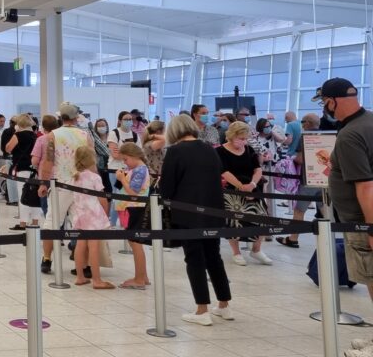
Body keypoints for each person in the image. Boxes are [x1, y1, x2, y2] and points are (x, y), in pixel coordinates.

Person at [159, 114, 232, 326]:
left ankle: (202, 310)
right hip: (214, 211)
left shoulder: (174, 152)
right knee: (213, 257)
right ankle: (224, 304)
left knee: (194, 258)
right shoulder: (209, 149)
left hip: (188, 213)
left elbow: (167, 187)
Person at [314, 79, 373, 306]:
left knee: (371, 278)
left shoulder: (350, 135)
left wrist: (370, 228)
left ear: (331, 102)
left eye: (324, 103)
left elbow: (366, 185)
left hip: (360, 219)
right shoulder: (368, 121)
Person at [37, 102, 91, 273]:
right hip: (82, 185)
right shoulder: (85, 135)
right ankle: (84, 265)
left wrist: (44, 183)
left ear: (61, 117)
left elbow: (48, 161)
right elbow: (91, 162)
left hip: (60, 184)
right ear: (76, 117)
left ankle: (47, 259)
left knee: (52, 222)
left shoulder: (53, 135)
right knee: (82, 224)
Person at [216, 121, 272, 266]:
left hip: (252, 188)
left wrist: (252, 184)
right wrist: (241, 186)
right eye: (241, 138)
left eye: (245, 138)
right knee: (233, 220)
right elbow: (224, 171)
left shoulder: (249, 150)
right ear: (232, 136)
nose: (243, 141)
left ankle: (256, 249)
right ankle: (236, 251)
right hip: (232, 189)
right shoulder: (220, 151)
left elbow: (257, 169)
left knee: (263, 217)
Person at [70, 145, 114, 289]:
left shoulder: (75, 176)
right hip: (94, 216)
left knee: (80, 245)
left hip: (80, 215)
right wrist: (106, 213)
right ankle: (97, 280)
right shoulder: (95, 177)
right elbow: (102, 199)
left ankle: (80, 276)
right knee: (94, 247)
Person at [277, 113, 322, 248]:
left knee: (299, 210)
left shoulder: (306, 137)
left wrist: (292, 159)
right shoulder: (327, 135)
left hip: (309, 178)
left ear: (307, 123)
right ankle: (328, 238)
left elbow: (301, 159)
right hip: (325, 178)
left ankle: (293, 238)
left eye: (302, 122)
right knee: (324, 210)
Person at [116, 142, 151, 289]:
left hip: (135, 209)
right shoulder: (137, 169)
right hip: (131, 209)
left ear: (133, 156)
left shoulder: (140, 170)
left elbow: (133, 193)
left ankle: (139, 279)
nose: (125, 163)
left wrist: (122, 179)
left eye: (125, 160)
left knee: (135, 244)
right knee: (134, 242)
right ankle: (143, 275)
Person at [7, 114, 40, 231]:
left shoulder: (18, 135)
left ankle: (23, 223)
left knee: (23, 195)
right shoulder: (35, 136)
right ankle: (35, 221)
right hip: (35, 169)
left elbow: (8, 148)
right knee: (35, 195)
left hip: (22, 168)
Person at [0, 116, 18, 204]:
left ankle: (12, 199)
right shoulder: (17, 132)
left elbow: (2, 146)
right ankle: (15, 199)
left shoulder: (6, 131)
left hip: (8, 157)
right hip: (16, 158)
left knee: (10, 179)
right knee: (14, 179)